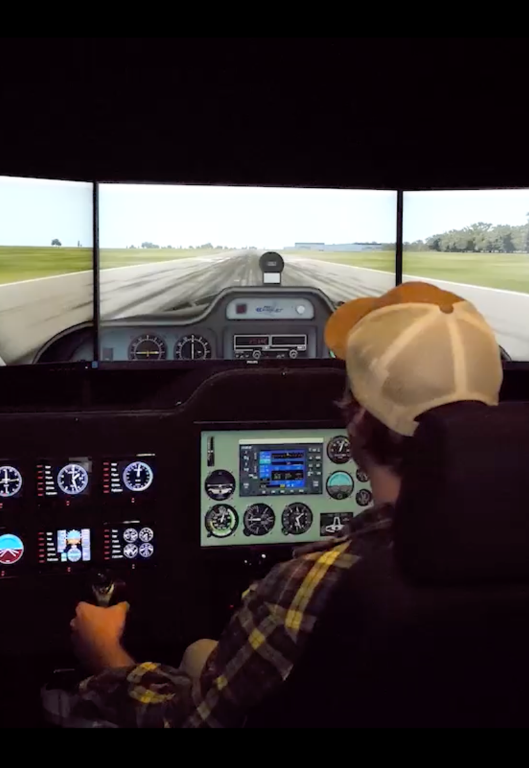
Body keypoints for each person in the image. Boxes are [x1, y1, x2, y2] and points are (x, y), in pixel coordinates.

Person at [65, 281, 504, 727]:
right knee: (200, 653)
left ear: (356, 418)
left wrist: (107, 658)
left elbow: (187, 722)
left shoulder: (301, 590)